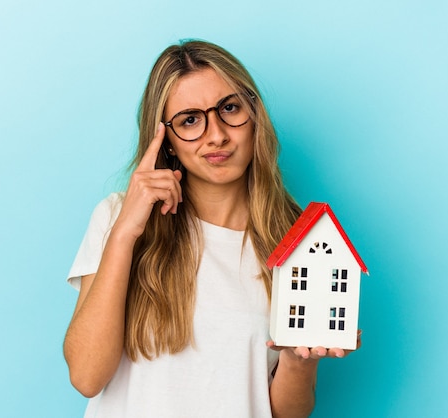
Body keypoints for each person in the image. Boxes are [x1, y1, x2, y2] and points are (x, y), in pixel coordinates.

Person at [64, 39, 360, 418]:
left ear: (254, 115)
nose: (216, 134)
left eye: (229, 109)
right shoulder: (117, 217)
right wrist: (125, 234)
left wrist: (299, 362)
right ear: (165, 139)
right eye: (190, 120)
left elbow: (285, 412)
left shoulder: (299, 240)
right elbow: (87, 376)